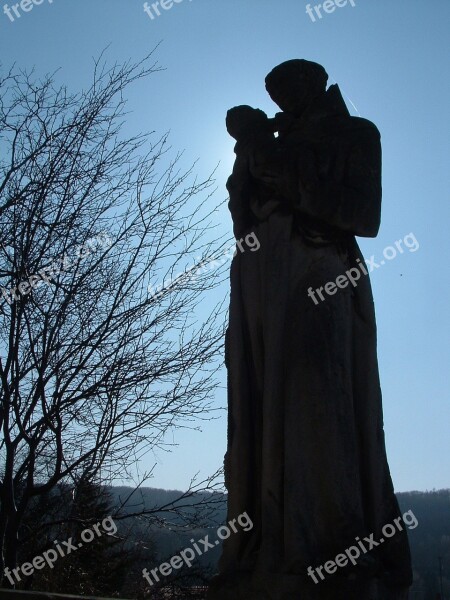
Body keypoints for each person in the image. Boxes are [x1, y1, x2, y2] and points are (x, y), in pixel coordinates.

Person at [209, 59, 412, 600]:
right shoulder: (270, 138)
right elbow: (243, 214)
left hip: (317, 277)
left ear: (316, 84)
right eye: (274, 94)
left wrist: (270, 156)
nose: (281, 100)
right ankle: (264, 548)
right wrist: (248, 154)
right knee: (256, 411)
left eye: (289, 88)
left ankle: (328, 549)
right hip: (259, 282)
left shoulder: (355, 133)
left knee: (316, 407)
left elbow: (363, 216)